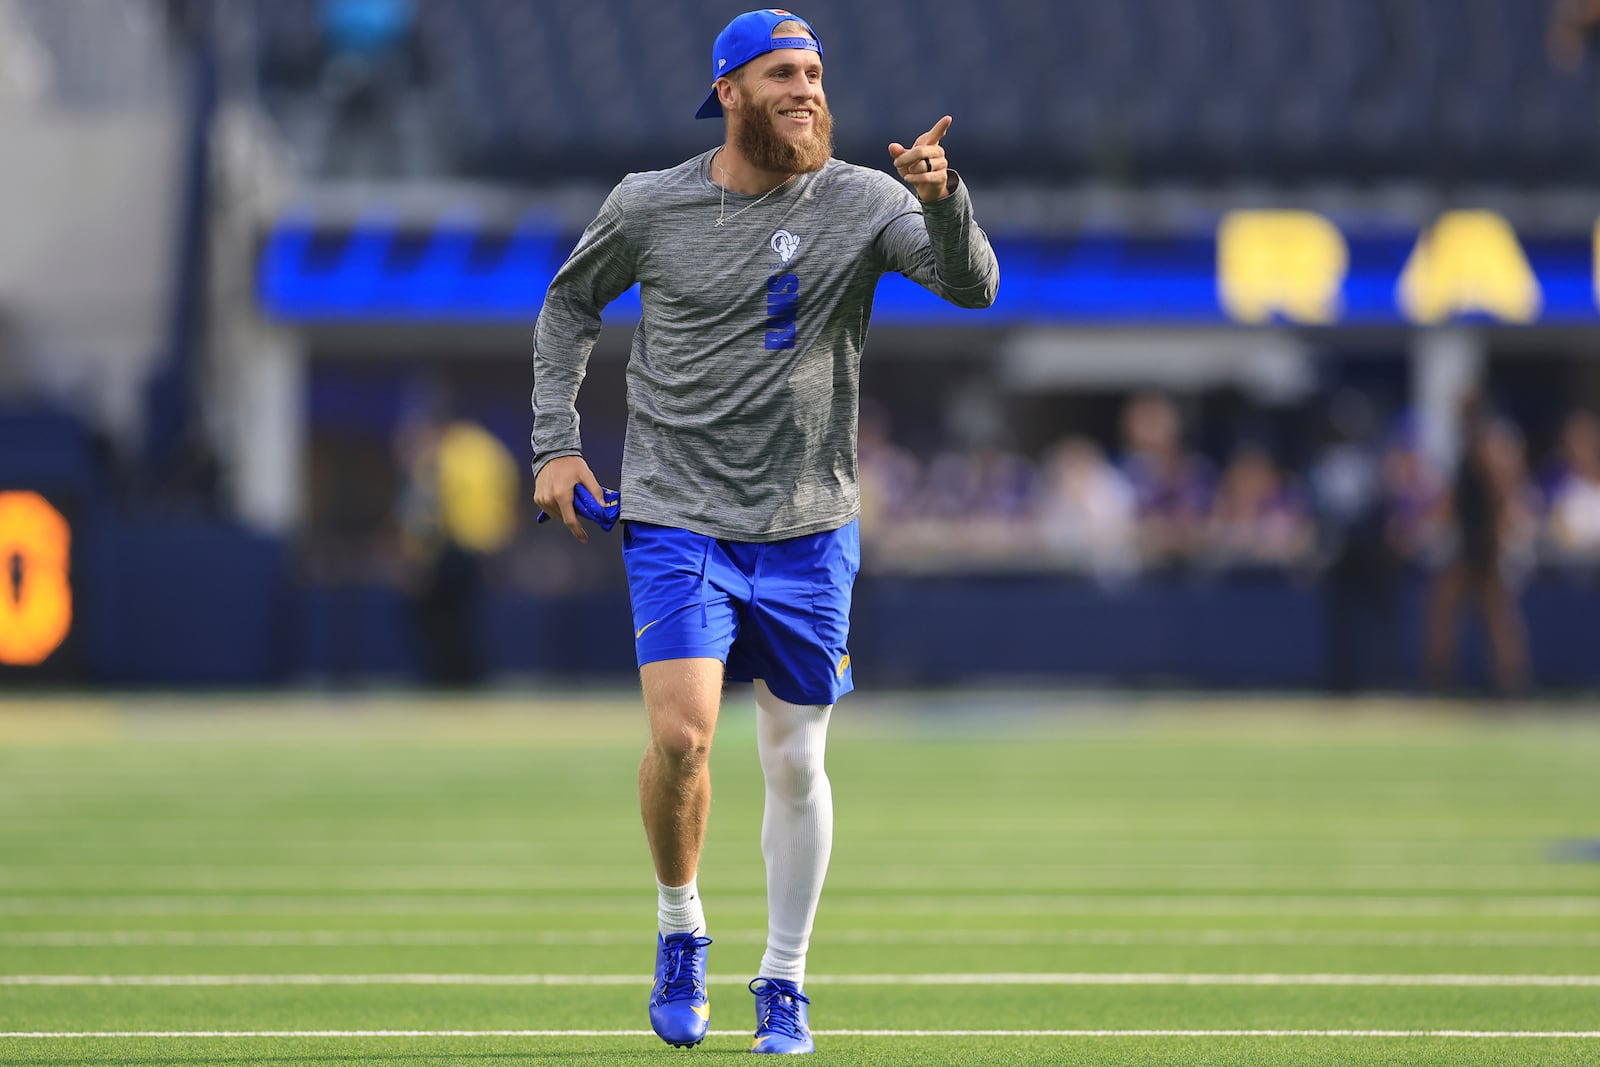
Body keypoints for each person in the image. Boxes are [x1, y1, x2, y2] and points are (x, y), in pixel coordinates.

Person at [530, 9, 998, 1055]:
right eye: (783, 74)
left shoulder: (866, 200)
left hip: (807, 524)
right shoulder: (650, 205)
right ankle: (680, 923)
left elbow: (973, 287)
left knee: (793, 761)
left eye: (817, 74)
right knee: (683, 734)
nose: (808, 90)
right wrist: (553, 445)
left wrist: (946, 200)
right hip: (675, 510)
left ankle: (783, 977)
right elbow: (568, 308)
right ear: (728, 93)